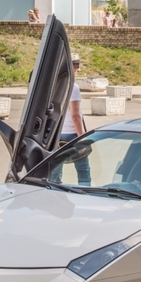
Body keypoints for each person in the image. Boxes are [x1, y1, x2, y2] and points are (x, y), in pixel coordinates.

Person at [52, 54, 90, 185]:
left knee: (55, 172)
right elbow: (75, 116)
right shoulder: (73, 86)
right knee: (83, 170)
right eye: (76, 66)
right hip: (72, 135)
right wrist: (82, 139)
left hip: (57, 134)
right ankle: (86, 195)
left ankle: (55, 195)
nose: (78, 70)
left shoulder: (54, 85)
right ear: (69, 67)